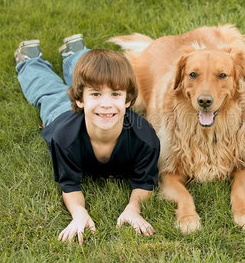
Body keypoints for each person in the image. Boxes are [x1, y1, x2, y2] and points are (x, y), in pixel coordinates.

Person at [14, 34, 160, 245]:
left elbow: (144, 182)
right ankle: (29, 61)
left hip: (88, 113)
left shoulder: (145, 139)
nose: (107, 104)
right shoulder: (64, 138)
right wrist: (79, 212)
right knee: (49, 91)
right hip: (62, 115)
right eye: (96, 95)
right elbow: (70, 184)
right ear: (79, 99)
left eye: (116, 94)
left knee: (97, 73)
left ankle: (75, 52)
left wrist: (133, 208)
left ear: (128, 100)